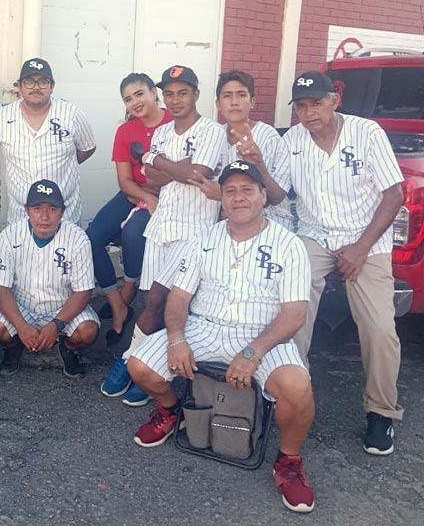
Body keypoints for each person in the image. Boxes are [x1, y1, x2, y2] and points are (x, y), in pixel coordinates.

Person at [128, 161, 316, 513]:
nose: (238, 197)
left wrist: (253, 351)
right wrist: (176, 338)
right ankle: (170, 412)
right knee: (140, 365)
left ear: (263, 196)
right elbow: (179, 298)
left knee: (297, 386)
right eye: (230, 190)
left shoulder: (289, 245)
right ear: (222, 199)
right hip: (205, 326)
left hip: (262, 335)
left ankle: (289, 461)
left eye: (248, 189)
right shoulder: (204, 238)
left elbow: (294, 315)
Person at [284, 71, 405, 456]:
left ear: (334, 100)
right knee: (292, 308)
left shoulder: (366, 133)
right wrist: (253, 161)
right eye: (301, 106)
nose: (308, 112)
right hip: (315, 234)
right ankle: (292, 391)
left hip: (366, 237)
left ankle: (381, 412)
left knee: (380, 328)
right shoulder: (292, 141)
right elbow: (274, 191)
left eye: (315, 103)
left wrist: (361, 247)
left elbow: (394, 195)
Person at [118, 65, 228, 407]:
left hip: (194, 232)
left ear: (196, 94)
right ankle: (133, 361)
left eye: (183, 92)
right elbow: (150, 178)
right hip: (162, 225)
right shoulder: (165, 131)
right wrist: (172, 165)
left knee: (162, 301)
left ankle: (147, 366)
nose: (175, 99)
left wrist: (159, 160)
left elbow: (199, 173)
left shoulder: (212, 131)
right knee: (150, 299)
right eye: (170, 93)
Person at [87, 72, 172, 400]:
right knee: (91, 237)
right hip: (136, 193)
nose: (135, 102)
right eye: (128, 98)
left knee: (137, 234)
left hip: (169, 201)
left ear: (154, 93)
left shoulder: (172, 125)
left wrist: (156, 195)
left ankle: (131, 285)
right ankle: (117, 301)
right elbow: (125, 180)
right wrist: (144, 196)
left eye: (140, 94)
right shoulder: (126, 131)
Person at [0, 180, 99, 378]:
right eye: (37, 209)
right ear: (26, 210)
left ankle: (68, 348)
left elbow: (83, 291)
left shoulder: (78, 238)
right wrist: (21, 327)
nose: (45, 217)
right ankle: (15, 345)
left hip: (61, 308)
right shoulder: (9, 235)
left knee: (87, 331)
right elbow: (0, 288)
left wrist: (56, 325)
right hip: (22, 307)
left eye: (52, 209)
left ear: (62, 212)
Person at [0, 58, 96, 224]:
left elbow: (88, 148)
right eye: (29, 81)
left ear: (52, 86)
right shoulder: (2, 117)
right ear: (19, 86)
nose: (36, 87)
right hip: (20, 217)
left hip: (65, 215)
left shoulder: (72, 115)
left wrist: (62, 166)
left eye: (42, 82)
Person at [188, 69, 295, 231]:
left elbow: (277, 197)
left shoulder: (268, 136)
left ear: (252, 101)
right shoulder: (211, 136)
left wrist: (258, 164)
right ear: (218, 104)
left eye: (241, 95)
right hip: (224, 223)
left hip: (271, 223)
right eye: (227, 96)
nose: (234, 102)